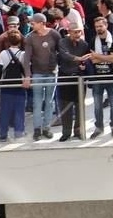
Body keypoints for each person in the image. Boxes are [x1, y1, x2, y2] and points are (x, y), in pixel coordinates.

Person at [23, 12, 61, 141]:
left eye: (33, 23)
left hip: (52, 71)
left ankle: (47, 128)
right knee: (37, 102)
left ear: (41, 23)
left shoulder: (54, 34)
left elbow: (60, 51)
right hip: (37, 72)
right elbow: (26, 57)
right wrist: (28, 75)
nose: (31, 24)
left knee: (49, 102)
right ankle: (37, 129)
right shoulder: (30, 37)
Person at [56, 19, 91, 141]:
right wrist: (79, 58)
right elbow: (64, 55)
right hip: (65, 77)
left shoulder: (84, 44)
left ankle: (78, 131)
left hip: (79, 78)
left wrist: (84, 64)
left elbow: (87, 59)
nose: (77, 35)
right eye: (75, 32)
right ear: (69, 32)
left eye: (79, 32)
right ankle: (66, 132)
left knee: (79, 106)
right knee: (65, 106)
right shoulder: (62, 42)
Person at [89, 15, 113, 137]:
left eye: (101, 26)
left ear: (106, 25)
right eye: (96, 26)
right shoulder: (92, 40)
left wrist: (98, 56)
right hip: (97, 77)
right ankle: (99, 127)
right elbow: (92, 60)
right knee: (97, 105)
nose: (99, 28)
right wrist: (104, 57)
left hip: (112, 76)